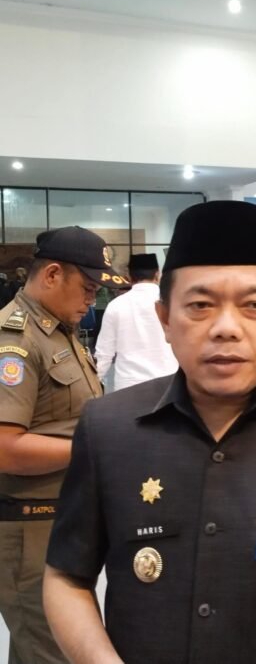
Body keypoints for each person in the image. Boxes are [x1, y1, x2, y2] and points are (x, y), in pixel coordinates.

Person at [43, 201, 256, 664]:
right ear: (165, 319)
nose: (226, 328)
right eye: (200, 306)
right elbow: (66, 575)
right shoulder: (108, 429)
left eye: (254, 305)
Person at [0, 226, 128, 664]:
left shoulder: (58, 332)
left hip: (59, 522)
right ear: (53, 274)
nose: (93, 299)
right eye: (88, 287)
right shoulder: (15, 341)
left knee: (36, 650)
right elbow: (5, 448)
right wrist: (98, 447)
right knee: (54, 651)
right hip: (29, 527)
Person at [94, 253, 178, 390]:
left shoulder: (115, 306)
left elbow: (104, 354)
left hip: (128, 386)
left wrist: (93, 386)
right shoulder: (172, 303)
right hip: (168, 383)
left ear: (129, 277)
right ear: (157, 274)